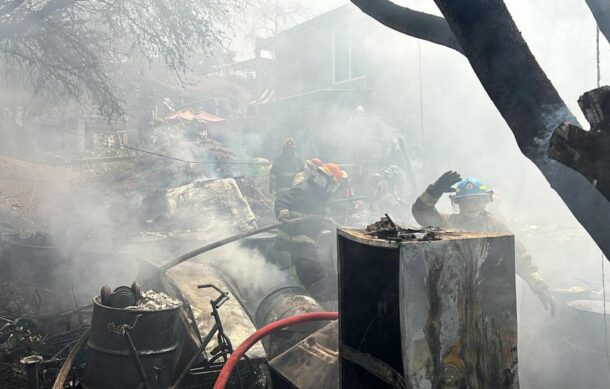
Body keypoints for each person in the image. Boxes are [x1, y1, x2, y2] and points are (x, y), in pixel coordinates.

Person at [412, 171, 556, 315]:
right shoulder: (446, 223)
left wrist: (540, 287)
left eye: (476, 200)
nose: (471, 206)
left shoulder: (497, 228)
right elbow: (421, 211)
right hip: (450, 298)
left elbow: (521, 260)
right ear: (458, 203)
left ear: (485, 201)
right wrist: (434, 191)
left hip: (488, 302)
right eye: (466, 201)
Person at [274, 163, 344, 294]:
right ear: (325, 181)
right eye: (333, 185)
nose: (332, 189)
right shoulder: (304, 189)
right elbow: (281, 201)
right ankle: (288, 279)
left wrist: (323, 223)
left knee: (316, 270)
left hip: (306, 240)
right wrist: (283, 216)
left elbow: (313, 216)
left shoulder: (319, 195)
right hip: (293, 239)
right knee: (315, 270)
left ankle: (296, 284)